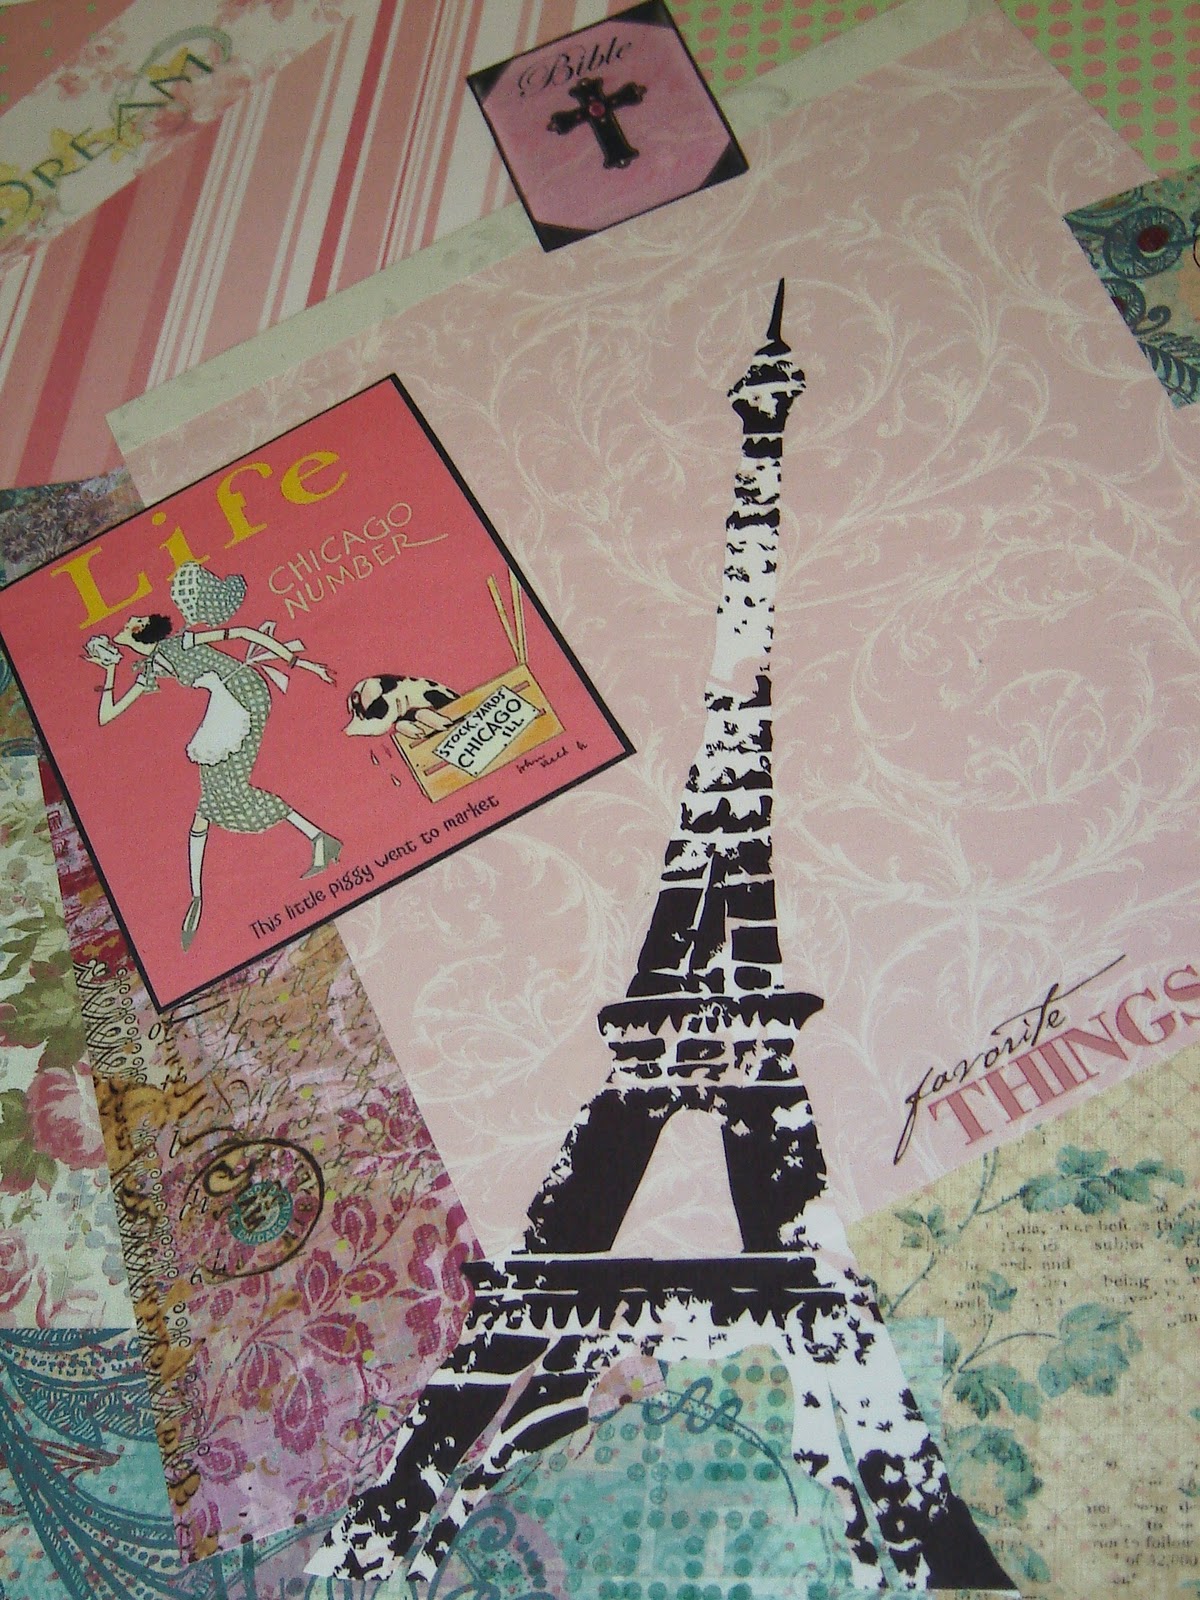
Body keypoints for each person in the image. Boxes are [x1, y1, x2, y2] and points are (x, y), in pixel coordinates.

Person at [86, 563, 341, 951]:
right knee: (207, 805)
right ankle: (199, 896)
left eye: (132, 621)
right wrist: (109, 671)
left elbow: (242, 632)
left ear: (141, 632)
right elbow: (107, 715)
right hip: (224, 706)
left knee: (228, 792)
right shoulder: (150, 667)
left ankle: (317, 840)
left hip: (243, 695)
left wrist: (299, 662)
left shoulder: (181, 642)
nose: (126, 623)